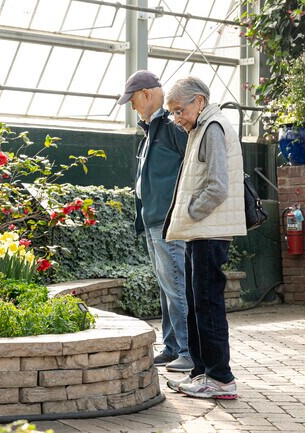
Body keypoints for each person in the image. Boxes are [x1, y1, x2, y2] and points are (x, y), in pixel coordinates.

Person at [162, 76, 246, 399]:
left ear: (198, 101)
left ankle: (220, 378)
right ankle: (201, 373)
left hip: (209, 230)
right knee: (198, 301)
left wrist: (193, 212)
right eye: (172, 112)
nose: (176, 118)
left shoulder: (212, 127)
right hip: (201, 231)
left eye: (178, 110)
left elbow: (218, 186)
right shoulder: (201, 127)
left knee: (207, 303)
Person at [117, 70, 192, 373]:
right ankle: (173, 347)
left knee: (176, 286)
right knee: (166, 286)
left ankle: (189, 351)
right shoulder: (152, 129)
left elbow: (191, 167)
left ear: (147, 94)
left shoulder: (173, 125)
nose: (132, 107)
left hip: (169, 221)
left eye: (133, 101)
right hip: (153, 221)